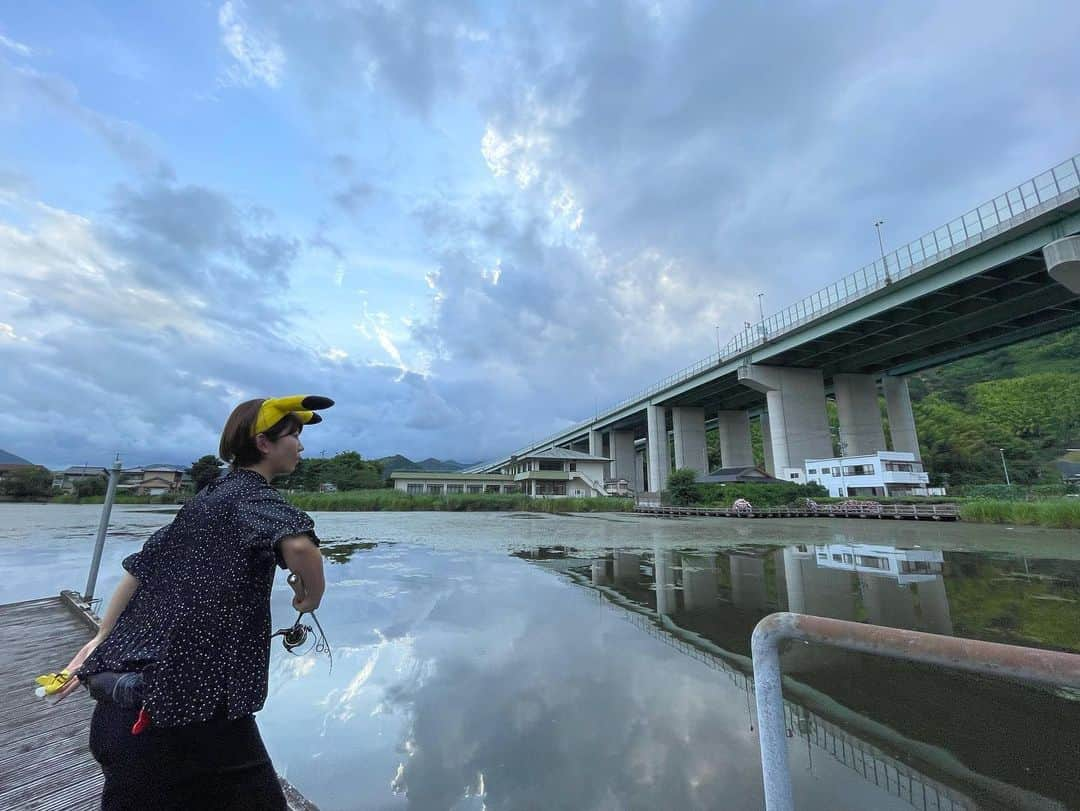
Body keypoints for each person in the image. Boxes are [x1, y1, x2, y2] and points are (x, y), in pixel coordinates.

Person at [54, 395, 333, 810]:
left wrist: (103, 636)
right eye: (294, 436)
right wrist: (311, 596)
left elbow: (137, 569)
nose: (301, 446)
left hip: (127, 713)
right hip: (184, 715)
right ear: (263, 443)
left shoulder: (204, 501)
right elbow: (300, 548)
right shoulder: (250, 495)